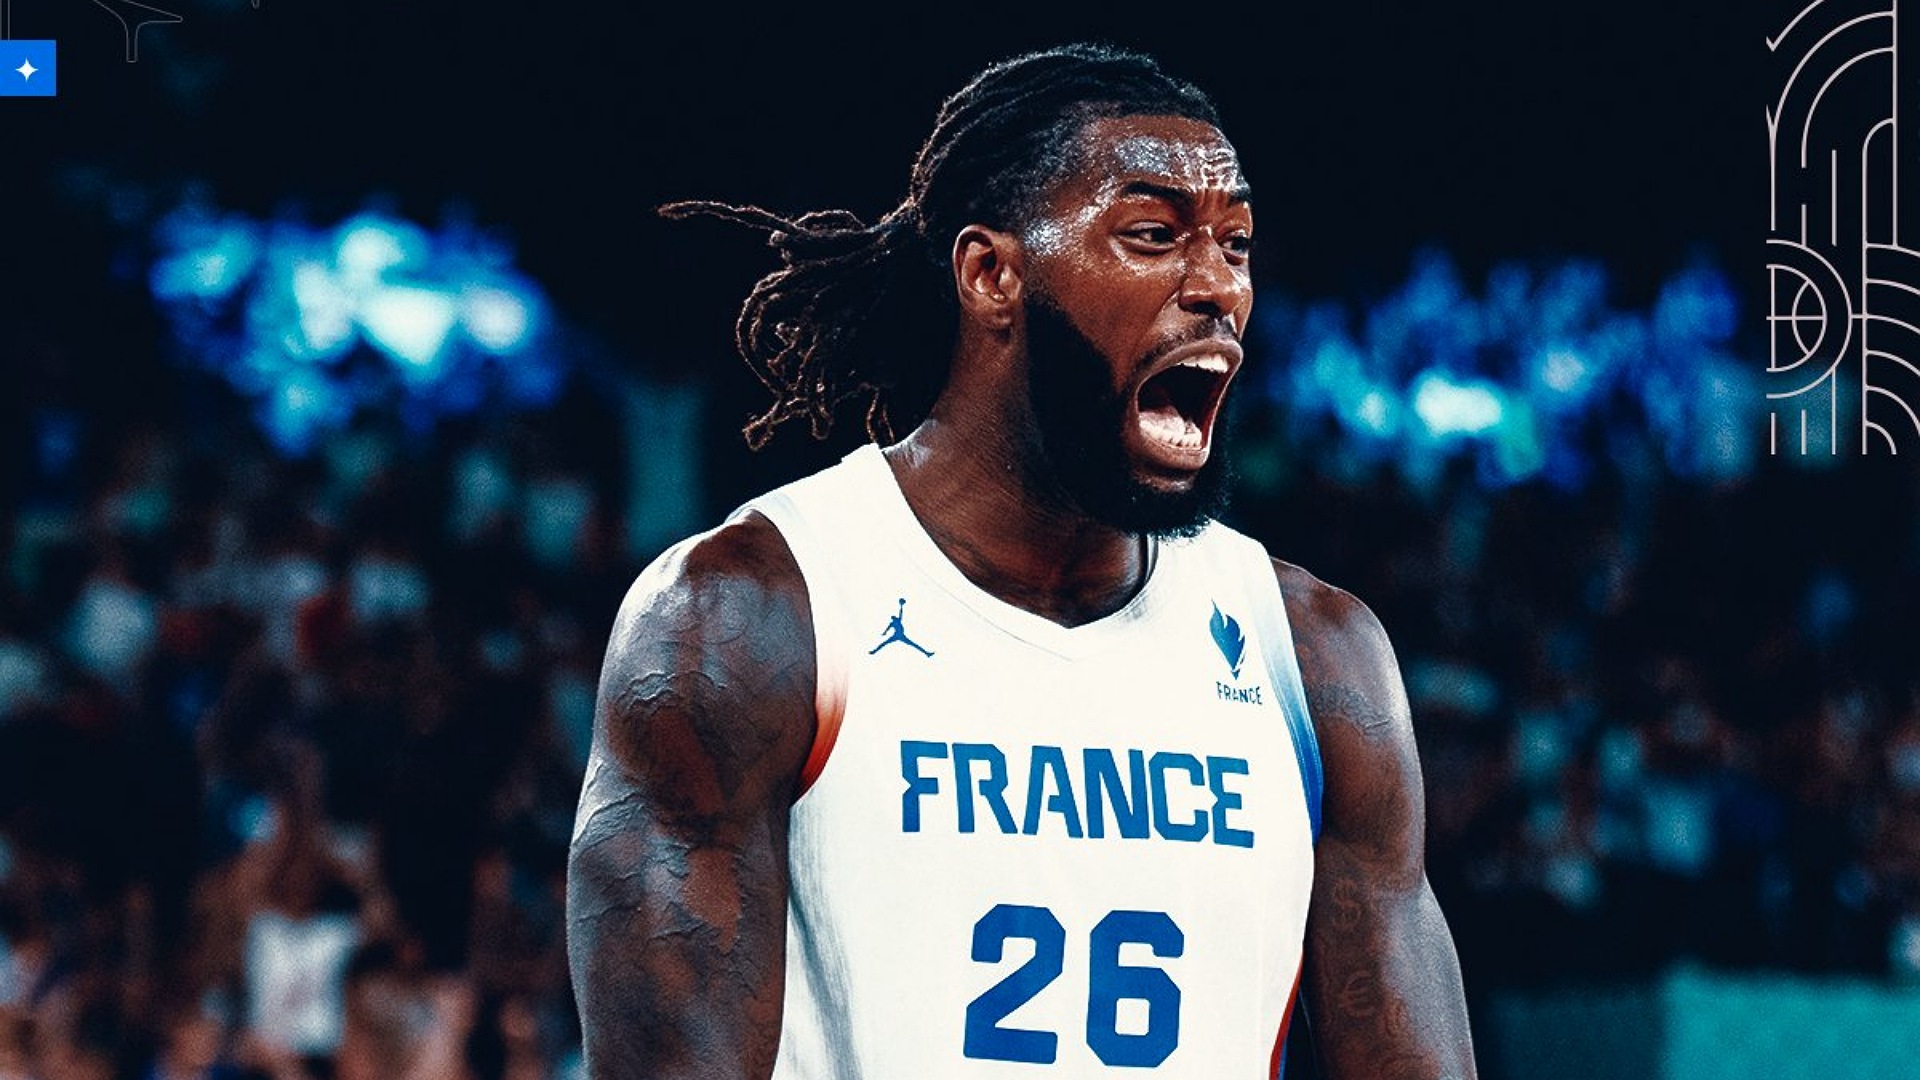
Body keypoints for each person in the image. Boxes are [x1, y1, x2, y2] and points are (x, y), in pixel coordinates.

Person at [567, 43, 1478, 1079]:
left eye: (1235, 244)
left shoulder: (1315, 661)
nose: (1216, 286)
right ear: (991, 274)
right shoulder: (752, 619)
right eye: (1153, 235)